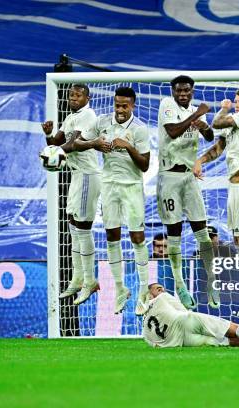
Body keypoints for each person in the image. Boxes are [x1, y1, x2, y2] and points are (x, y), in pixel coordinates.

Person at [73, 87, 151, 315]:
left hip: (132, 187)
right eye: (117, 105)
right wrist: (95, 144)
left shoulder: (140, 129)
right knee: (111, 236)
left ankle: (143, 291)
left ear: (133, 106)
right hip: (109, 186)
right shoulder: (102, 121)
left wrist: (128, 147)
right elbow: (77, 142)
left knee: (137, 237)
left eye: (124, 106)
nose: (120, 110)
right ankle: (120, 288)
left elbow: (145, 165)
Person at [193, 88, 239, 316]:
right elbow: (218, 147)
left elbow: (217, 123)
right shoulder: (235, 126)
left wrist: (224, 108)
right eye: (235, 101)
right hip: (234, 187)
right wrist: (201, 160)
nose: (237, 104)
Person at [157, 75, 217, 309]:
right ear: (173, 91)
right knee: (175, 233)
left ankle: (212, 282)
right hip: (169, 177)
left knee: (202, 231)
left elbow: (210, 137)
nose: (183, 94)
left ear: (192, 91)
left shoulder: (197, 112)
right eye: (179, 91)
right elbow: (172, 131)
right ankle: (180, 285)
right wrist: (197, 114)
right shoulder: (167, 105)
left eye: (187, 91)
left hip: (190, 178)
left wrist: (205, 127)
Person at [42, 84, 106, 304]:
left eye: (78, 95)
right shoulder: (70, 117)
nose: (73, 98)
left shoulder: (88, 115)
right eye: (71, 95)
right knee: (72, 224)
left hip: (89, 175)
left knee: (82, 228)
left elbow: (74, 144)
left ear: (87, 97)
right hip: (77, 176)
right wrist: (48, 136)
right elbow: (57, 143)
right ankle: (77, 278)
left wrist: (51, 152)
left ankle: (90, 280)